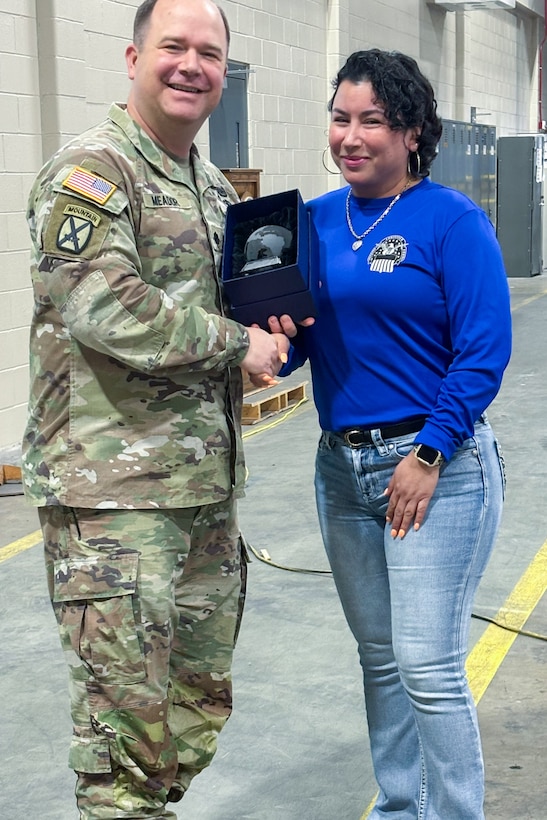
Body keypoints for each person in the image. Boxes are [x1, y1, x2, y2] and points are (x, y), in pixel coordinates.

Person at [22, 1, 289, 817]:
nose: (191, 65)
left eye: (209, 53)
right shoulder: (94, 171)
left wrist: (265, 334)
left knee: (193, 712)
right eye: (174, 47)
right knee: (123, 742)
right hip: (115, 504)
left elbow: (213, 318)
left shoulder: (207, 185)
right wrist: (231, 344)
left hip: (201, 491)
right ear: (134, 55)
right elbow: (104, 305)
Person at [270, 49, 511, 818]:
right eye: (340, 118)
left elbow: (482, 351)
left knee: (427, 663)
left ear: (411, 132)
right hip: (340, 473)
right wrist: (272, 347)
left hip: (434, 468)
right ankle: (399, 807)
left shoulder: (450, 220)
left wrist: (429, 451)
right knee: (380, 660)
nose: (350, 136)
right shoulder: (311, 220)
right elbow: (310, 339)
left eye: (371, 120)